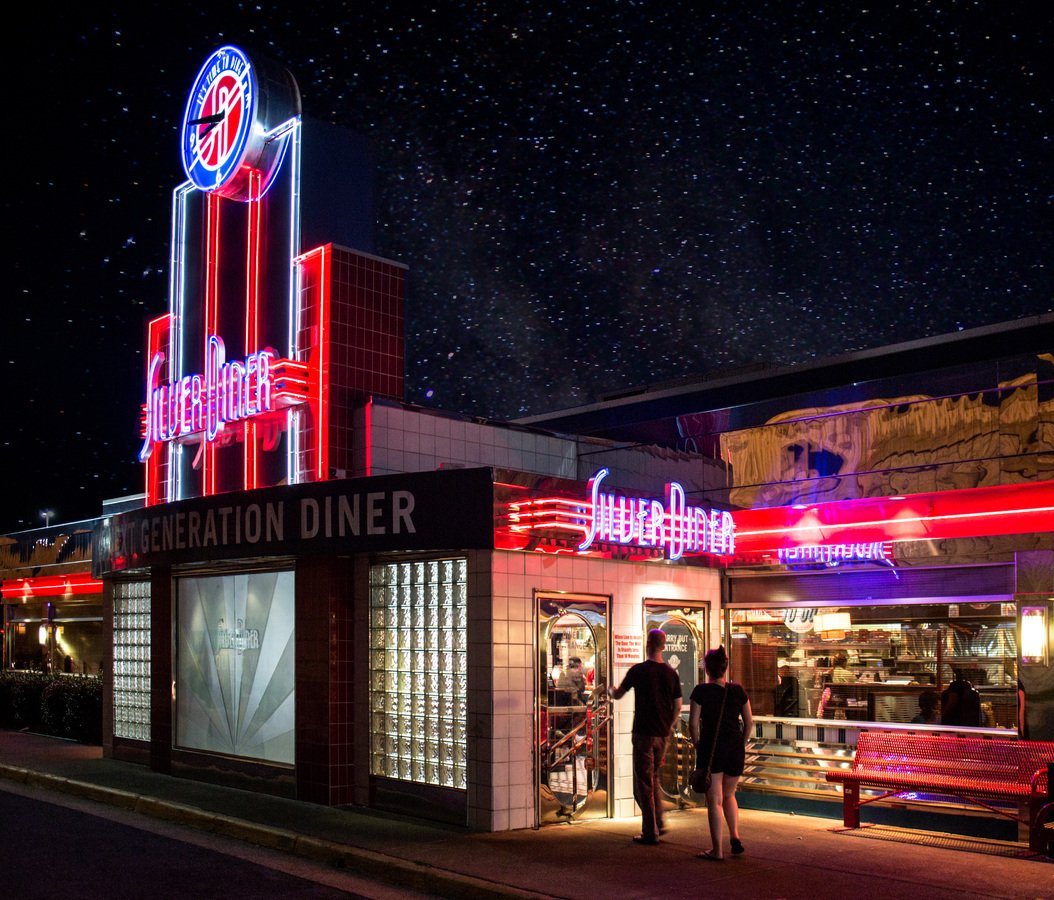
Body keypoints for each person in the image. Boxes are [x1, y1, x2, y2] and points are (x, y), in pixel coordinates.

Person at [611, 629, 682, 845]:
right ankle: (658, 822)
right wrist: (668, 728)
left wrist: (608, 689)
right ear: (664, 645)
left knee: (643, 783)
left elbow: (618, 694)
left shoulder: (638, 671)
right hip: (662, 734)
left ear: (648, 644)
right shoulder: (671, 674)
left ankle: (650, 832)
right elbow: (678, 706)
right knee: (653, 778)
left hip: (643, 734)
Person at [689, 645, 752, 861]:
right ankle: (735, 837)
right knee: (729, 794)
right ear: (725, 668)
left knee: (714, 799)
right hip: (735, 748)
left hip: (712, 748)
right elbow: (749, 721)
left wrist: (697, 744)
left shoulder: (701, 691)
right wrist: (742, 742)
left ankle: (717, 850)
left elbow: (693, 723)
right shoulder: (737, 690)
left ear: (707, 669)